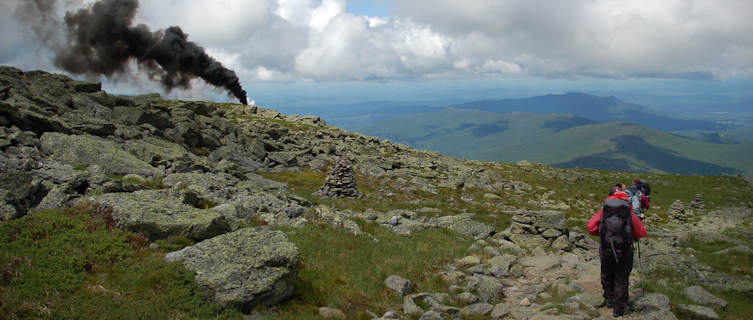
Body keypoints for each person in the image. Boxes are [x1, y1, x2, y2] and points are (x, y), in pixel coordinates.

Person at [587, 186, 647, 317]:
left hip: (606, 249)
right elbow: (642, 232)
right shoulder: (629, 213)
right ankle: (618, 310)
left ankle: (609, 299)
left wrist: (604, 234)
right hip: (625, 251)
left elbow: (590, 226)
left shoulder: (604, 212)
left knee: (606, 273)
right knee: (622, 278)